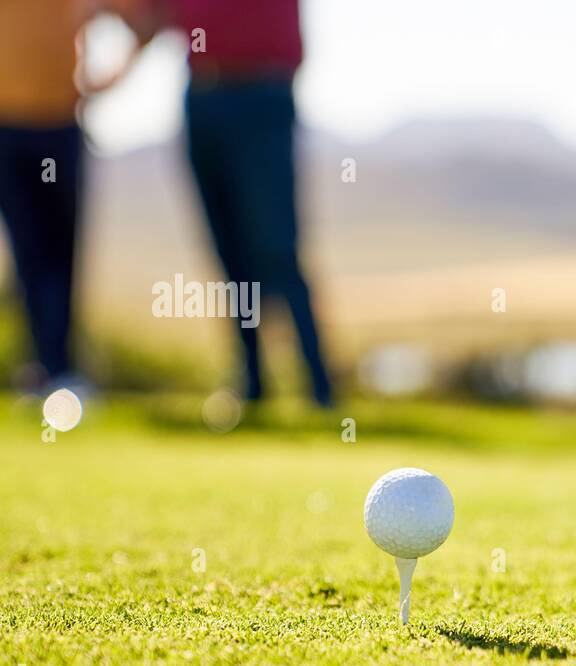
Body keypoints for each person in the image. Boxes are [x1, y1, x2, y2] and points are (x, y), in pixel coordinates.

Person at [118, 0, 334, 406]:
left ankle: (321, 388)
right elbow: (149, 18)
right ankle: (253, 385)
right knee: (228, 252)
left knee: (277, 246)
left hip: (262, 94)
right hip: (202, 97)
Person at [0, 0, 97, 394]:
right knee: (28, 257)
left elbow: (141, 15)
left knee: (58, 257)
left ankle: (60, 370)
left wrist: (112, 76)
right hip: (5, 127)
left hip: (58, 125)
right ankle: (43, 368)